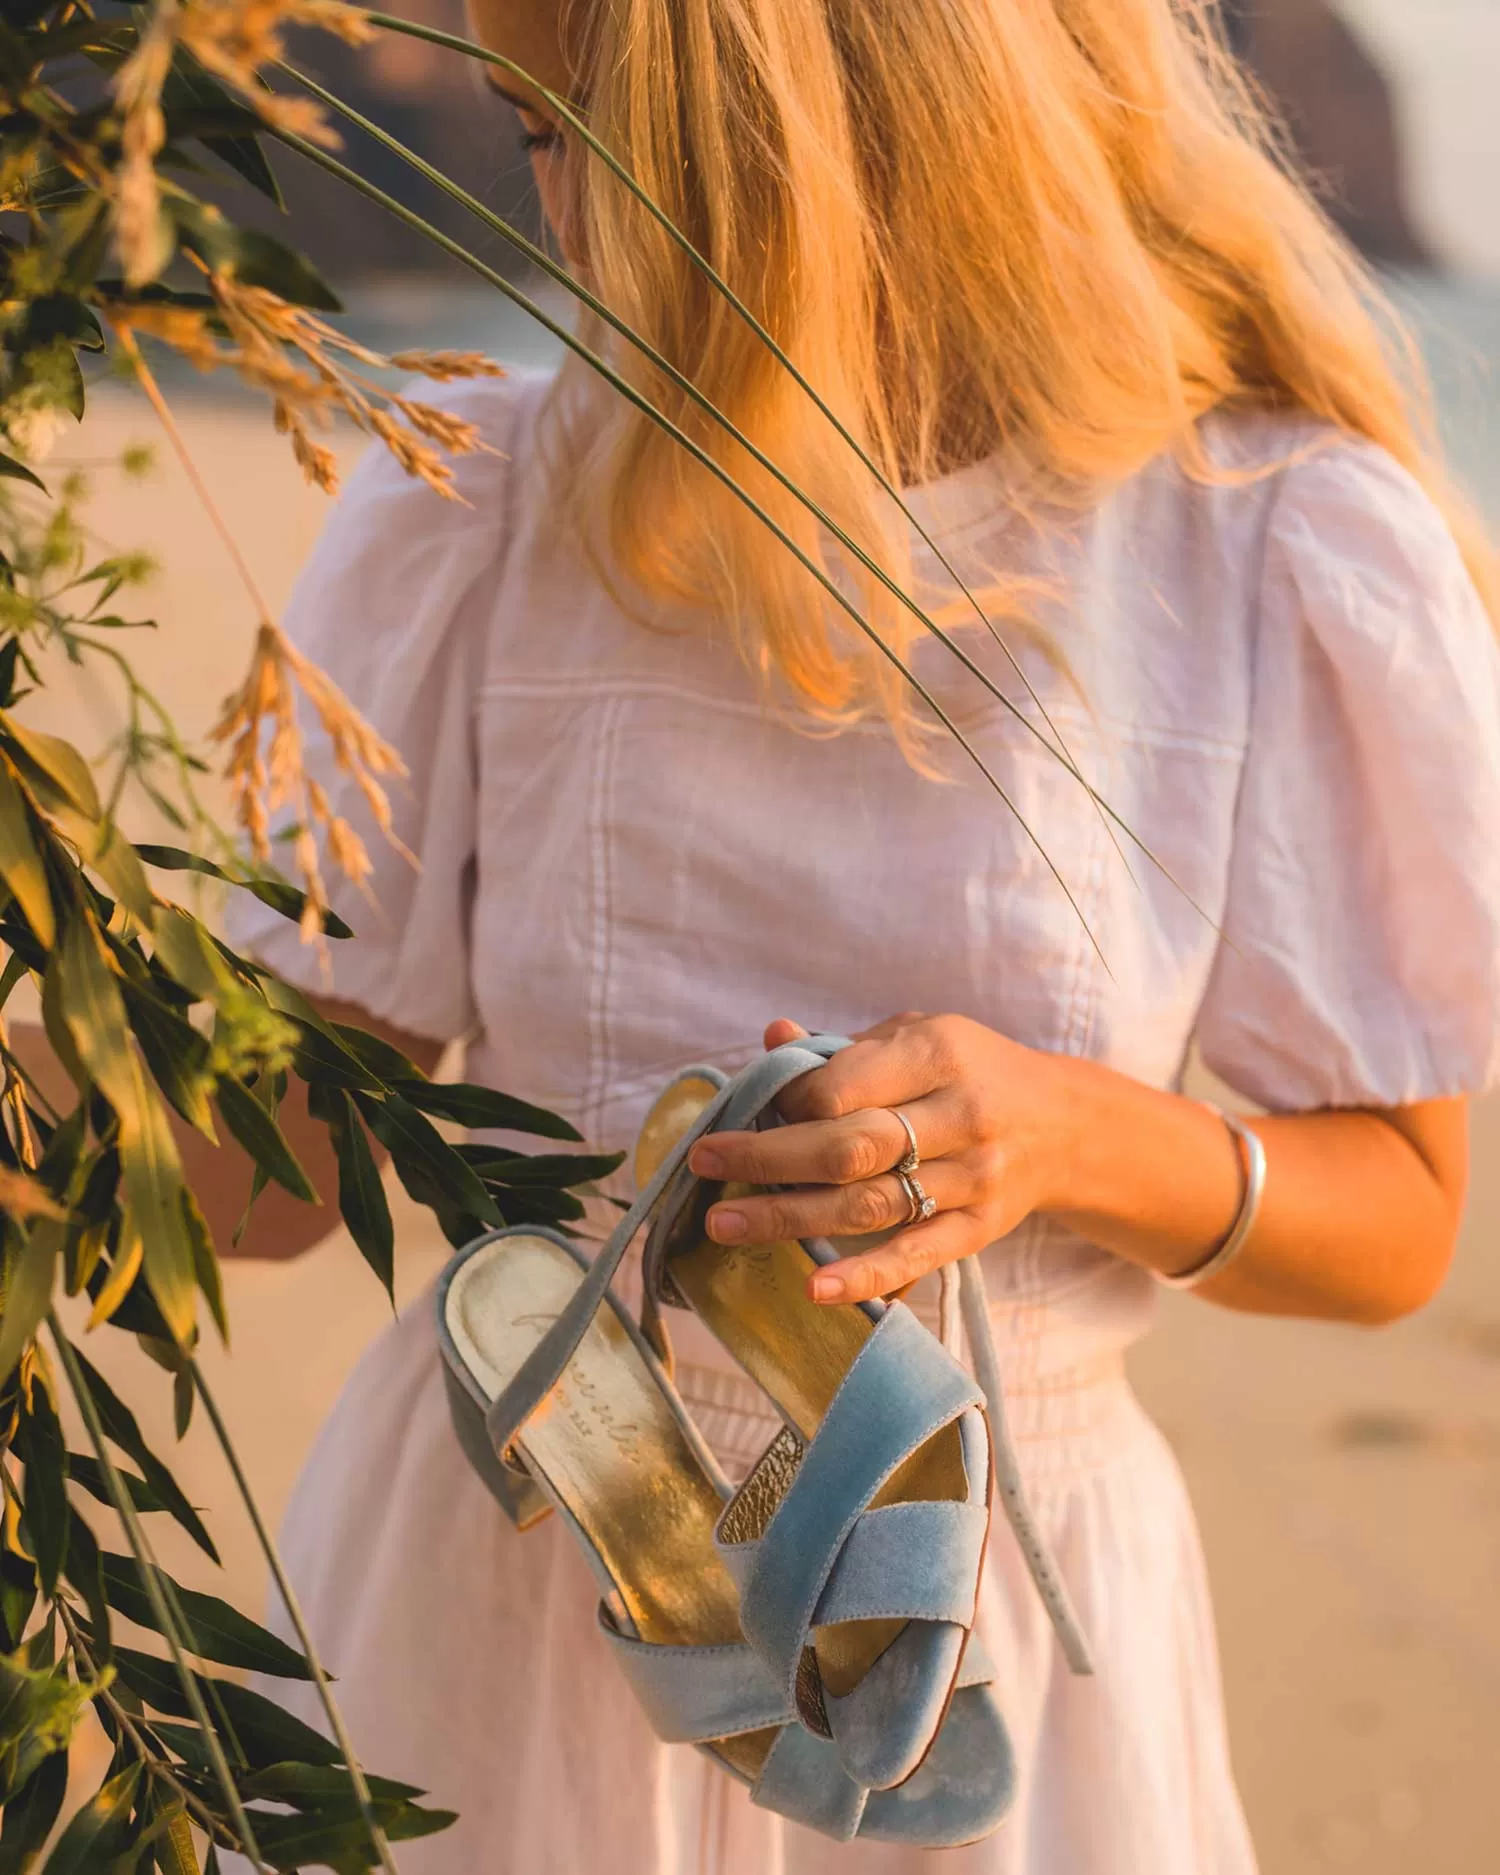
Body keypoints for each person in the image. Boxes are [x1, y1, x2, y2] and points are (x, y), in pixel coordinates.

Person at [78, 1, 1500, 1870]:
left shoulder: (1258, 543)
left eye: (566, 135)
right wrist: (58, 1097)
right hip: (514, 1574)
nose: (552, 225)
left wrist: (1060, 1136)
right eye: (524, 137)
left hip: (979, 1635)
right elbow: (273, 1166)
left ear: (783, 141)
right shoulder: (487, 498)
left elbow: (1398, 1213)